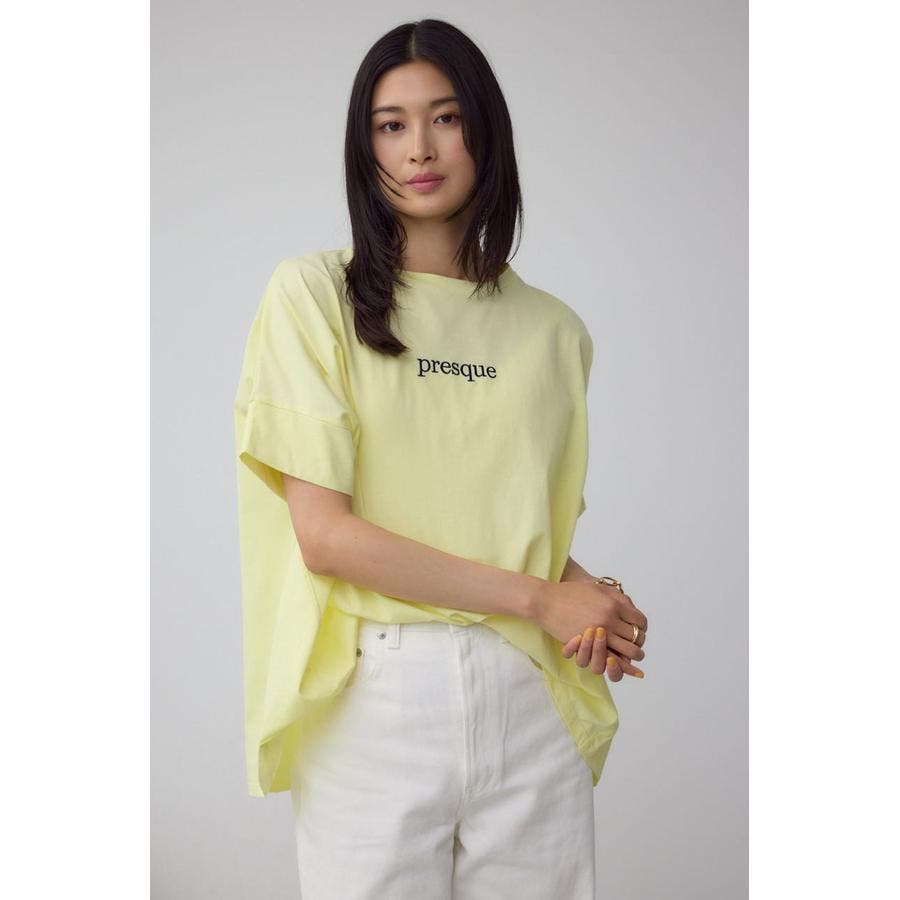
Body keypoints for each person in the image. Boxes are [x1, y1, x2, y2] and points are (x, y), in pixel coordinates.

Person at [233, 18, 649, 900]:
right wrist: (543, 598)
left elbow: (516, 528)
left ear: (484, 131)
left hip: (531, 689)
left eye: (446, 118)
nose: (419, 148)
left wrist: (592, 601)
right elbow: (327, 538)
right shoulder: (313, 296)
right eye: (391, 124)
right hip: (377, 693)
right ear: (365, 147)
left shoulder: (555, 333)